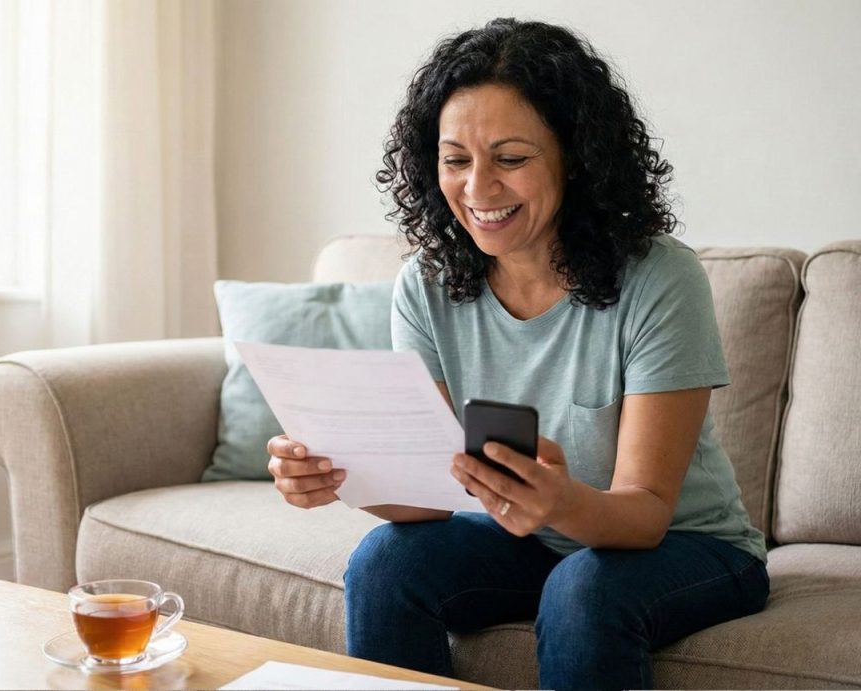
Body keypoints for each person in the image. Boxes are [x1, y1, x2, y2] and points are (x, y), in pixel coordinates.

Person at [265, 18, 769, 691]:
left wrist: (558, 502)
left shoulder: (658, 277)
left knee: (583, 588)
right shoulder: (427, 283)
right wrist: (340, 473)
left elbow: (645, 511)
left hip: (688, 545)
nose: (478, 189)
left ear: (575, 156)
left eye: (510, 158)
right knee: (386, 562)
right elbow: (434, 495)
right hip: (530, 541)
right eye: (456, 160)